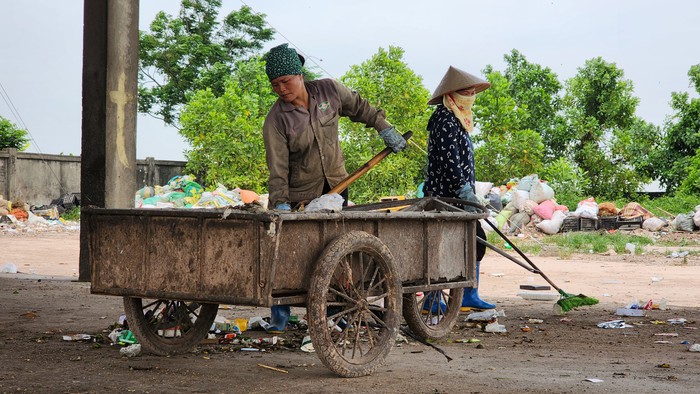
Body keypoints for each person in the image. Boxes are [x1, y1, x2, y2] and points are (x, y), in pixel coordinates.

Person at [261, 43, 407, 331]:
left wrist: (385, 127)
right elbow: (277, 169)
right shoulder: (276, 120)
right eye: (275, 85)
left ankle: (338, 313)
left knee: (339, 253)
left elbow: (361, 107)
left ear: (299, 74)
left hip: (338, 187)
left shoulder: (329, 91)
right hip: (301, 197)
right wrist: (281, 205)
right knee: (293, 258)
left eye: (285, 81)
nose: (281, 89)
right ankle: (280, 315)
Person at [423, 65, 495, 311]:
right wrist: (462, 189)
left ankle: (468, 295)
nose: (471, 97)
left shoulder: (458, 119)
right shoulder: (444, 119)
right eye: (467, 92)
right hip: (446, 196)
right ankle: (433, 300)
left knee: (475, 242)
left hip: (459, 196)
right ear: (452, 95)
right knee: (445, 247)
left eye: (473, 92)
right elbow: (448, 160)